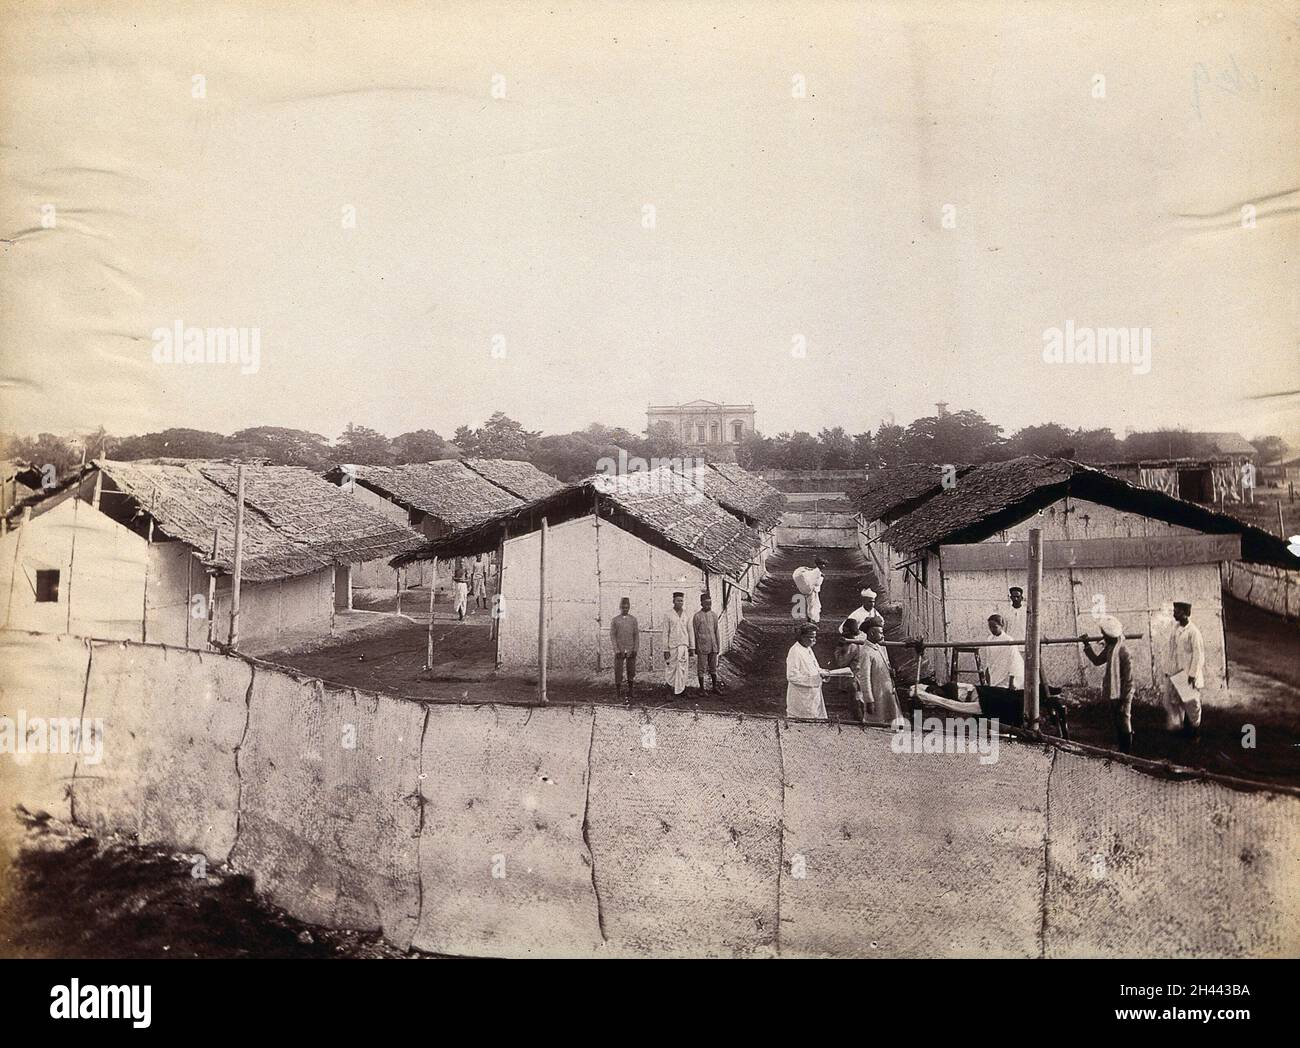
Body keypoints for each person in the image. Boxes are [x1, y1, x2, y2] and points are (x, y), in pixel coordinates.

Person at [1080, 614, 1134, 753]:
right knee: (1116, 719)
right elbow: (1097, 661)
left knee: (1124, 719)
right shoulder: (1111, 648)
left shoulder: (1123, 651)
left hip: (1123, 692)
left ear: (1111, 635)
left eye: (1104, 633)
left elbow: (1128, 680)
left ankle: (1127, 751)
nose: (1102, 635)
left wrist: (1124, 699)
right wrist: (1087, 645)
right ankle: (1122, 749)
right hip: (1112, 690)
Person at [1164, 600, 1205, 740]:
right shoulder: (1175, 629)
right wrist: (1169, 670)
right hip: (1177, 673)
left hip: (1188, 674)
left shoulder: (1193, 632)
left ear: (1186, 614)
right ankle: (1185, 731)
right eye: (1174, 610)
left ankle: (1196, 734)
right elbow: (1172, 651)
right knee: (1178, 702)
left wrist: (1192, 675)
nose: (1174, 613)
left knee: (1192, 704)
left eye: (1178, 611)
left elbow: (1199, 656)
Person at [858, 620, 903, 725]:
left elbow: (881, 666)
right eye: (880, 633)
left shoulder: (878, 647)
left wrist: (889, 671)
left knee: (892, 720)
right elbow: (865, 678)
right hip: (877, 695)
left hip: (886, 692)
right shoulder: (866, 652)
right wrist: (869, 700)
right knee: (877, 725)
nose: (882, 636)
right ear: (872, 633)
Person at [786, 623, 829, 720]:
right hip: (801, 697)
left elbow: (815, 667)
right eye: (811, 637)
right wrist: (814, 679)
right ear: (802, 637)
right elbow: (792, 676)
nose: (815, 640)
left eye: (815, 637)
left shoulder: (807, 648)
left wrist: (823, 672)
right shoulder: (795, 651)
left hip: (813, 695)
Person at [980, 614, 1024, 689]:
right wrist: (987, 672)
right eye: (990, 627)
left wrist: (1012, 681)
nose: (992, 629)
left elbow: (1014, 662)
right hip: (994, 674)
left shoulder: (1008, 640)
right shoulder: (990, 639)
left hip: (1006, 676)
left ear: (1001, 626)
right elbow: (989, 659)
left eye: (995, 627)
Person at [692, 593, 724, 694]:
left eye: (710, 603)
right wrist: (696, 647)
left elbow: (716, 631)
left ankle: (714, 687)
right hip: (702, 646)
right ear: (701, 603)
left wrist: (718, 646)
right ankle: (702, 689)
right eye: (706, 604)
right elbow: (695, 633)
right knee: (701, 668)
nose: (708, 606)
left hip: (713, 646)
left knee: (713, 667)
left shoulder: (714, 615)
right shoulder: (697, 616)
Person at [662, 591, 693, 697]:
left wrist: (692, 647)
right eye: (678, 601)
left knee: (683, 668)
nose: (680, 603)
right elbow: (666, 632)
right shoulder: (668, 614)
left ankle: (682, 689)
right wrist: (665, 649)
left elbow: (690, 631)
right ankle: (669, 691)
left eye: (682, 601)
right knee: (671, 668)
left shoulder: (687, 614)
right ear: (673, 601)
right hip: (673, 646)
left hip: (684, 645)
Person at [609, 596, 639, 700]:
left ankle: (631, 690)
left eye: (627, 607)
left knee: (631, 670)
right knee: (618, 670)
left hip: (630, 649)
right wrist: (616, 650)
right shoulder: (615, 620)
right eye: (623, 607)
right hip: (620, 650)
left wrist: (635, 649)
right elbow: (612, 636)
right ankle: (618, 691)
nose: (625, 609)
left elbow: (636, 635)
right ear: (620, 607)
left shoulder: (633, 620)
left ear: (629, 607)